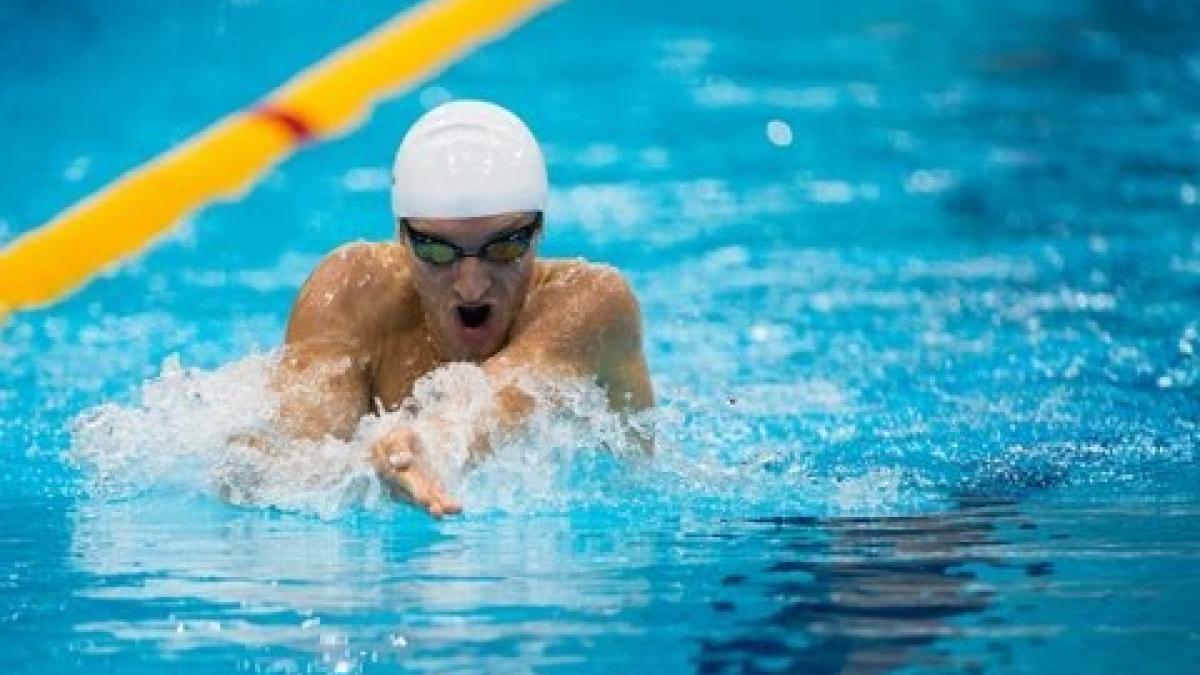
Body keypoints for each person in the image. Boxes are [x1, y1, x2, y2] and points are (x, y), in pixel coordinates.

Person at [271, 100, 654, 517]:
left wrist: (427, 443)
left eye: (504, 246)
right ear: (402, 236)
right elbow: (290, 465)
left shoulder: (592, 303)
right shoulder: (350, 293)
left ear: (539, 230)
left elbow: (507, 394)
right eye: (436, 250)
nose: (471, 285)